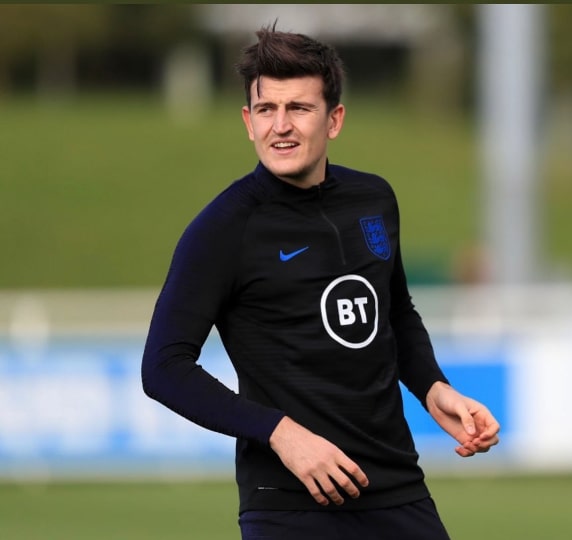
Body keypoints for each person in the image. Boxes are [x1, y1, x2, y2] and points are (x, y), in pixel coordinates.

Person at [142, 23, 500, 540]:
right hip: (289, 506)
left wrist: (432, 387)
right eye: (267, 109)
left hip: (397, 488)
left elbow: (393, 312)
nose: (280, 126)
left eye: (299, 109)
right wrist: (281, 434)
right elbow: (164, 368)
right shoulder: (222, 229)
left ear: (334, 120)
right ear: (248, 120)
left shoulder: (373, 199)